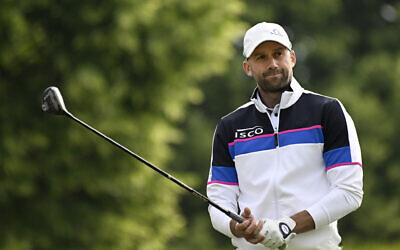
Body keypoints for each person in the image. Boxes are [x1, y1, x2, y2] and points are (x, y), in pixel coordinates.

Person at [206, 22, 363, 250]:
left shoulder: (327, 111)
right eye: (261, 57)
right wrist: (234, 225)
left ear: (292, 58)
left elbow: (349, 192)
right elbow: (218, 201)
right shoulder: (229, 127)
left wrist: (288, 226)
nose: (272, 64)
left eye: (278, 54)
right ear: (247, 67)